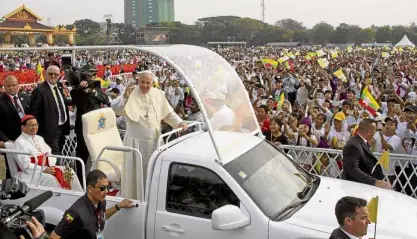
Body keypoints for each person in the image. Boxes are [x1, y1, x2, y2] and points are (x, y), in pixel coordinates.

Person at [111, 71, 188, 184]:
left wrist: (179, 123)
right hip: (135, 142)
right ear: (138, 81)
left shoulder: (158, 94)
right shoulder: (130, 92)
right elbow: (116, 109)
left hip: (155, 141)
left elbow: (168, 114)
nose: (145, 85)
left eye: (148, 83)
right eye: (142, 82)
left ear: (152, 83)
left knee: (154, 171)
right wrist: (125, 97)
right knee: (136, 174)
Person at [49, 169, 134, 239]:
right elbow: (54, 236)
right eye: (102, 188)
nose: (106, 192)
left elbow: (102, 215)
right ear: (90, 189)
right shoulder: (75, 213)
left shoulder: (101, 201)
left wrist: (118, 206)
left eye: (108, 187)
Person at [11, 115, 82, 191]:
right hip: (31, 173)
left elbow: (49, 154)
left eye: (36, 125)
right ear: (23, 127)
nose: (34, 127)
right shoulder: (19, 142)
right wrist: (43, 169)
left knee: (68, 171)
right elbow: (25, 165)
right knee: (50, 179)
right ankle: (58, 199)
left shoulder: (39, 138)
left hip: (47, 168)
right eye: (31, 125)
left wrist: (50, 167)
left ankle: (77, 195)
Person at [70, 65, 109, 184]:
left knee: (97, 153)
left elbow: (106, 100)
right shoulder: (75, 91)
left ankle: (97, 179)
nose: (91, 77)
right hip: (83, 128)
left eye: (93, 74)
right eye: (89, 75)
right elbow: (82, 105)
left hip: (97, 126)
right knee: (83, 154)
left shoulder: (96, 86)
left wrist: (93, 92)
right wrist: (84, 91)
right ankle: (81, 180)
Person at [30, 65, 70, 155]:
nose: (53, 76)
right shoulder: (39, 90)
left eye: (56, 74)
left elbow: (62, 103)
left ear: (59, 75)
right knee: (55, 156)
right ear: (46, 74)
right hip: (49, 131)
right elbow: (34, 112)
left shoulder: (59, 86)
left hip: (62, 127)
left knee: (60, 150)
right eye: (50, 74)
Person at [342, 119, 391, 190]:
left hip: (361, 186)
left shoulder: (361, 142)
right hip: (354, 188)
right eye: (375, 130)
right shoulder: (353, 145)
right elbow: (353, 170)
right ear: (369, 132)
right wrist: (375, 182)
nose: (375, 132)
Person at [0, 75, 30, 178]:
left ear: (18, 85)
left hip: (27, 138)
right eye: (8, 86)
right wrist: (6, 140)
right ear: (4, 86)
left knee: (27, 166)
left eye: (14, 85)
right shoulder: (1, 101)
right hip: (11, 141)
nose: (11, 88)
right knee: (13, 168)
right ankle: (10, 189)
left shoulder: (24, 96)